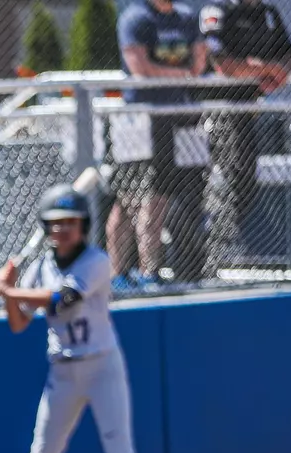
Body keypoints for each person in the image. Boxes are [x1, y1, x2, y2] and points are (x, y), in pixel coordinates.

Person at [0, 185, 168, 453]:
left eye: (70, 223)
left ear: (83, 225)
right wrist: (8, 294)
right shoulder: (40, 268)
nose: (63, 230)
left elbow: (63, 300)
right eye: (56, 224)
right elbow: (18, 324)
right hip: (63, 370)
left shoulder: (97, 261)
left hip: (102, 367)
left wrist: (10, 289)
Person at [108, 0, 208, 288]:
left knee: (158, 198)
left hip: (175, 119)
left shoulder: (186, 17)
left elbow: (199, 64)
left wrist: (176, 73)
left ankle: (148, 272)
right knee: (128, 199)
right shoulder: (136, 18)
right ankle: (118, 274)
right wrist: (182, 73)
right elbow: (140, 69)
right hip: (139, 122)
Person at [200, 0, 291, 276]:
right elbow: (222, 63)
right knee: (213, 180)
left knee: (245, 182)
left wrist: (274, 73)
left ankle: (219, 244)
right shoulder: (218, 11)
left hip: (247, 111)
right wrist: (265, 69)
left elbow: (290, 55)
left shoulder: (268, 13)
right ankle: (200, 249)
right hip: (216, 110)